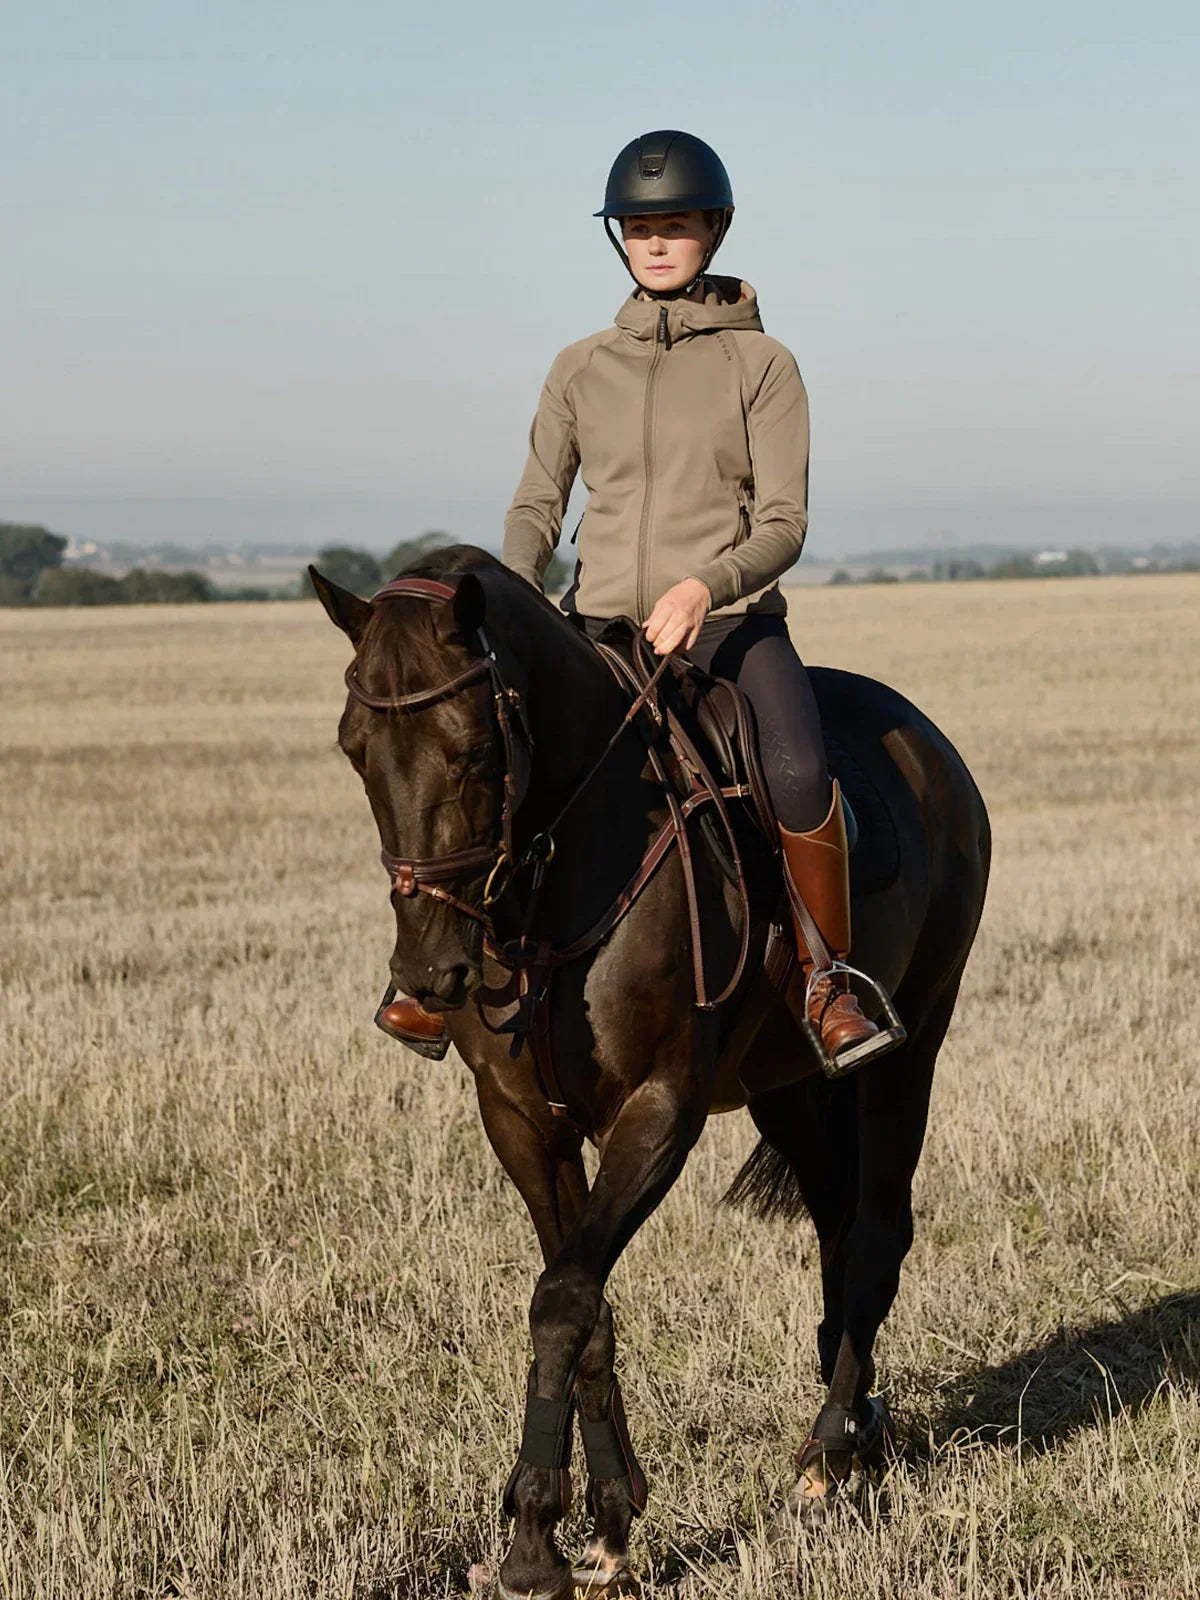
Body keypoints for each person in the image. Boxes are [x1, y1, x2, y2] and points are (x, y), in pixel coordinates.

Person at [378, 130, 901, 1073]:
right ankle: (437, 976)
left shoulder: (765, 367)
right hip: (598, 629)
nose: (656, 243)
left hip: (729, 630)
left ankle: (829, 979)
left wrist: (708, 586)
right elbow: (540, 502)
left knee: (793, 769)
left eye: (676, 225)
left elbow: (785, 521)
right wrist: (510, 601)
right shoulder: (580, 367)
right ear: (619, 239)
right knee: (485, 765)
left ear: (714, 230)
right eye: (639, 227)